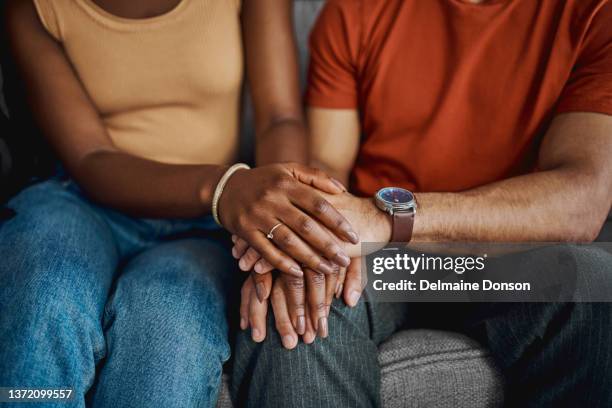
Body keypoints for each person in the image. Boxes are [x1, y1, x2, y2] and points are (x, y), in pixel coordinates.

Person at [230, 0, 612, 406]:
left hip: (513, 253)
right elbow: (327, 166)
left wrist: (380, 219)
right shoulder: (354, 11)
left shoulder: (594, 13)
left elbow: (581, 198)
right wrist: (309, 234)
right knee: (299, 305)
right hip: (388, 260)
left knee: (591, 284)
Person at [0, 0, 359, 406]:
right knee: (44, 291)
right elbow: (90, 157)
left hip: (205, 224)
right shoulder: (31, 9)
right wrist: (223, 187)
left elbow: (279, 117)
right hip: (79, 202)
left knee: (168, 322)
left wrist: (277, 223)